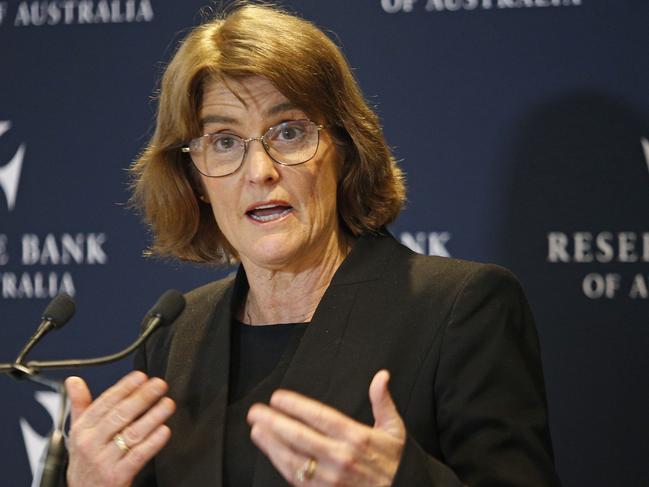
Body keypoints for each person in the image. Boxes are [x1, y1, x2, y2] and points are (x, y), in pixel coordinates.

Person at [63, 3, 561, 486]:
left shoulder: (457, 310)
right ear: (194, 179)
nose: (260, 172)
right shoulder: (174, 337)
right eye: (224, 141)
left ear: (343, 149)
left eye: (289, 132)